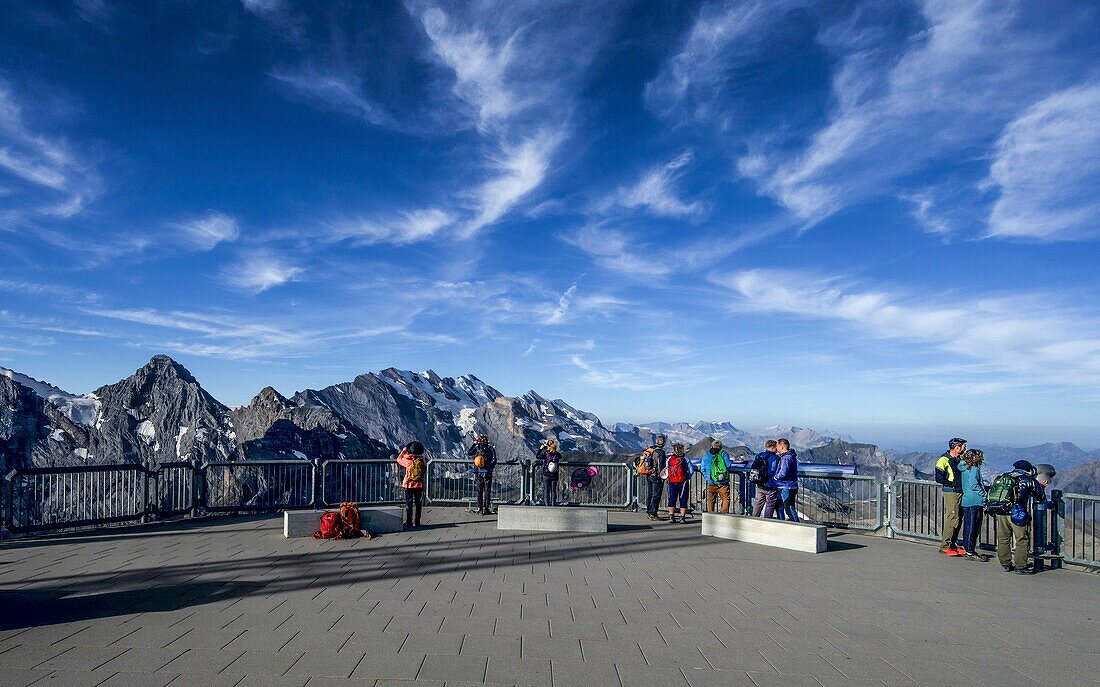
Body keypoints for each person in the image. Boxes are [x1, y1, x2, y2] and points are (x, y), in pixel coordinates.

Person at [993, 460, 1050, 575]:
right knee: (1022, 539)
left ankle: (1005, 563)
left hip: (1001, 511)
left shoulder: (1004, 477)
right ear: (1029, 470)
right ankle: (1020, 566)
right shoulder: (1029, 480)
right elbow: (1041, 497)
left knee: (1003, 538)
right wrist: (1041, 487)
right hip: (1017, 513)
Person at [935, 437, 967, 556]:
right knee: (952, 517)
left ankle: (952, 544)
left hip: (959, 491)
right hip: (951, 492)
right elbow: (939, 477)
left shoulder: (959, 459)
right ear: (957, 447)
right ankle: (945, 546)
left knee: (958, 518)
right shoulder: (943, 460)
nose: (964, 448)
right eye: (963, 446)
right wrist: (952, 483)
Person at [957, 448, 988, 561]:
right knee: (973, 527)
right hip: (975, 500)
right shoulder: (974, 469)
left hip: (966, 500)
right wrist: (984, 494)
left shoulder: (964, 468)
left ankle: (968, 549)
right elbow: (974, 484)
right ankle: (970, 551)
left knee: (968, 526)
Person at [396, 441, 427, 528]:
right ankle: (417, 522)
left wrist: (403, 451)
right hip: (419, 484)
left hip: (409, 485)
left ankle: (409, 522)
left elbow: (398, 459)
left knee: (409, 504)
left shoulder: (408, 461)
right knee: (418, 503)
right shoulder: (421, 460)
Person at [467, 434, 497, 515]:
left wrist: (474, 444)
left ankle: (480, 508)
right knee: (487, 491)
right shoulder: (490, 448)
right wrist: (490, 467)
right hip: (488, 472)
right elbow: (494, 459)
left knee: (479, 491)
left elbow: (469, 453)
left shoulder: (477, 447)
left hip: (478, 472)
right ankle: (486, 509)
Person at [700, 439, 732, 513]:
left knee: (711, 500)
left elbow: (702, 468)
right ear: (720, 447)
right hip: (723, 482)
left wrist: (707, 477)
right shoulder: (724, 454)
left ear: (712, 446)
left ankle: (710, 516)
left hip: (711, 482)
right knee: (725, 499)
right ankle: (724, 516)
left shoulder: (707, 455)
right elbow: (728, 465)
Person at [640, 435, 668, 521]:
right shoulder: (661, 452)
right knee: (656, 495)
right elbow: (661, 467)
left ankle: (649, 511)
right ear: (663, 443)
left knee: (650, 494)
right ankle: (653, 513)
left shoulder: (651, 450)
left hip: (649, 475)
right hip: (656, 476)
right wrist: (662, 477)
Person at [750, 440, 780, 517]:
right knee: (769, 506)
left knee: (758, 504)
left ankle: (754, 519)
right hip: (771, 486)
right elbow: (776, 470)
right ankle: (767, 521)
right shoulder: (776, 458)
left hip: (759, 484)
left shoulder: (759, 455)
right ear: (773, 447)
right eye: (776, 447)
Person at [772, 439, 799, 522]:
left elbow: (783, 472)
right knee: (780, 506)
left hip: (786, 486)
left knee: (789, 508)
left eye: (777, 446)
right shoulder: (790, 456)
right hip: (788, 486)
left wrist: (776, 477)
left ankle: (797, 527)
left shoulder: (786, 458)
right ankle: (783, 524)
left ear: (782, 446)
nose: (776, 448)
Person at [665, 443, 691, 523]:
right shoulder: (685, 459)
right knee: (683, 499)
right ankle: (682, 517)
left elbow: (666, 469)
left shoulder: (670, 459)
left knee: (672, 498)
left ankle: (671, 516)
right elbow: (691, 470)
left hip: (672, 482)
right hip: (682, 482)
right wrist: (687, 477)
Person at [536, 439, 562, 506]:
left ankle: (547, 505)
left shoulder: (545, 453)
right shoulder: (557, 454)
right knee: (553, 490)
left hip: (546, 474)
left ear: (548, 446)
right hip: (554, 475)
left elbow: (537, 456)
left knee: (546, 490)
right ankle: (553, 504)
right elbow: (560, 456)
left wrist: (541, 449)